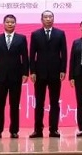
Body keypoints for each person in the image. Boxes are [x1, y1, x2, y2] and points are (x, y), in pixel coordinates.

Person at [0, 15, 28, 139]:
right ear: (3, 23)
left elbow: (25, 57)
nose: (10, 24)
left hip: (16, 76)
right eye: (8, 22)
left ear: (15, 24)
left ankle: (14, 131)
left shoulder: (21, 38)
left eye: (12, 22)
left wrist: (25, 73)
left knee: (14, 105)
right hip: (1, 77)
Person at [28, 10, 67, 138]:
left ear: (53, 19)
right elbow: (32, 54)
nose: (48, 19)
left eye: (50, 17)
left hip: (55, 73)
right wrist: (32, 71)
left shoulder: (60, 34)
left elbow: (64, 53)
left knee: (54, 103)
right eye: (46, 17)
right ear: (41, 19)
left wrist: (63, 70)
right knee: (39, 103)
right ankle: (38, 130)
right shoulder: (35, 34)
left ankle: (53, 129)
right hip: (39, 74)